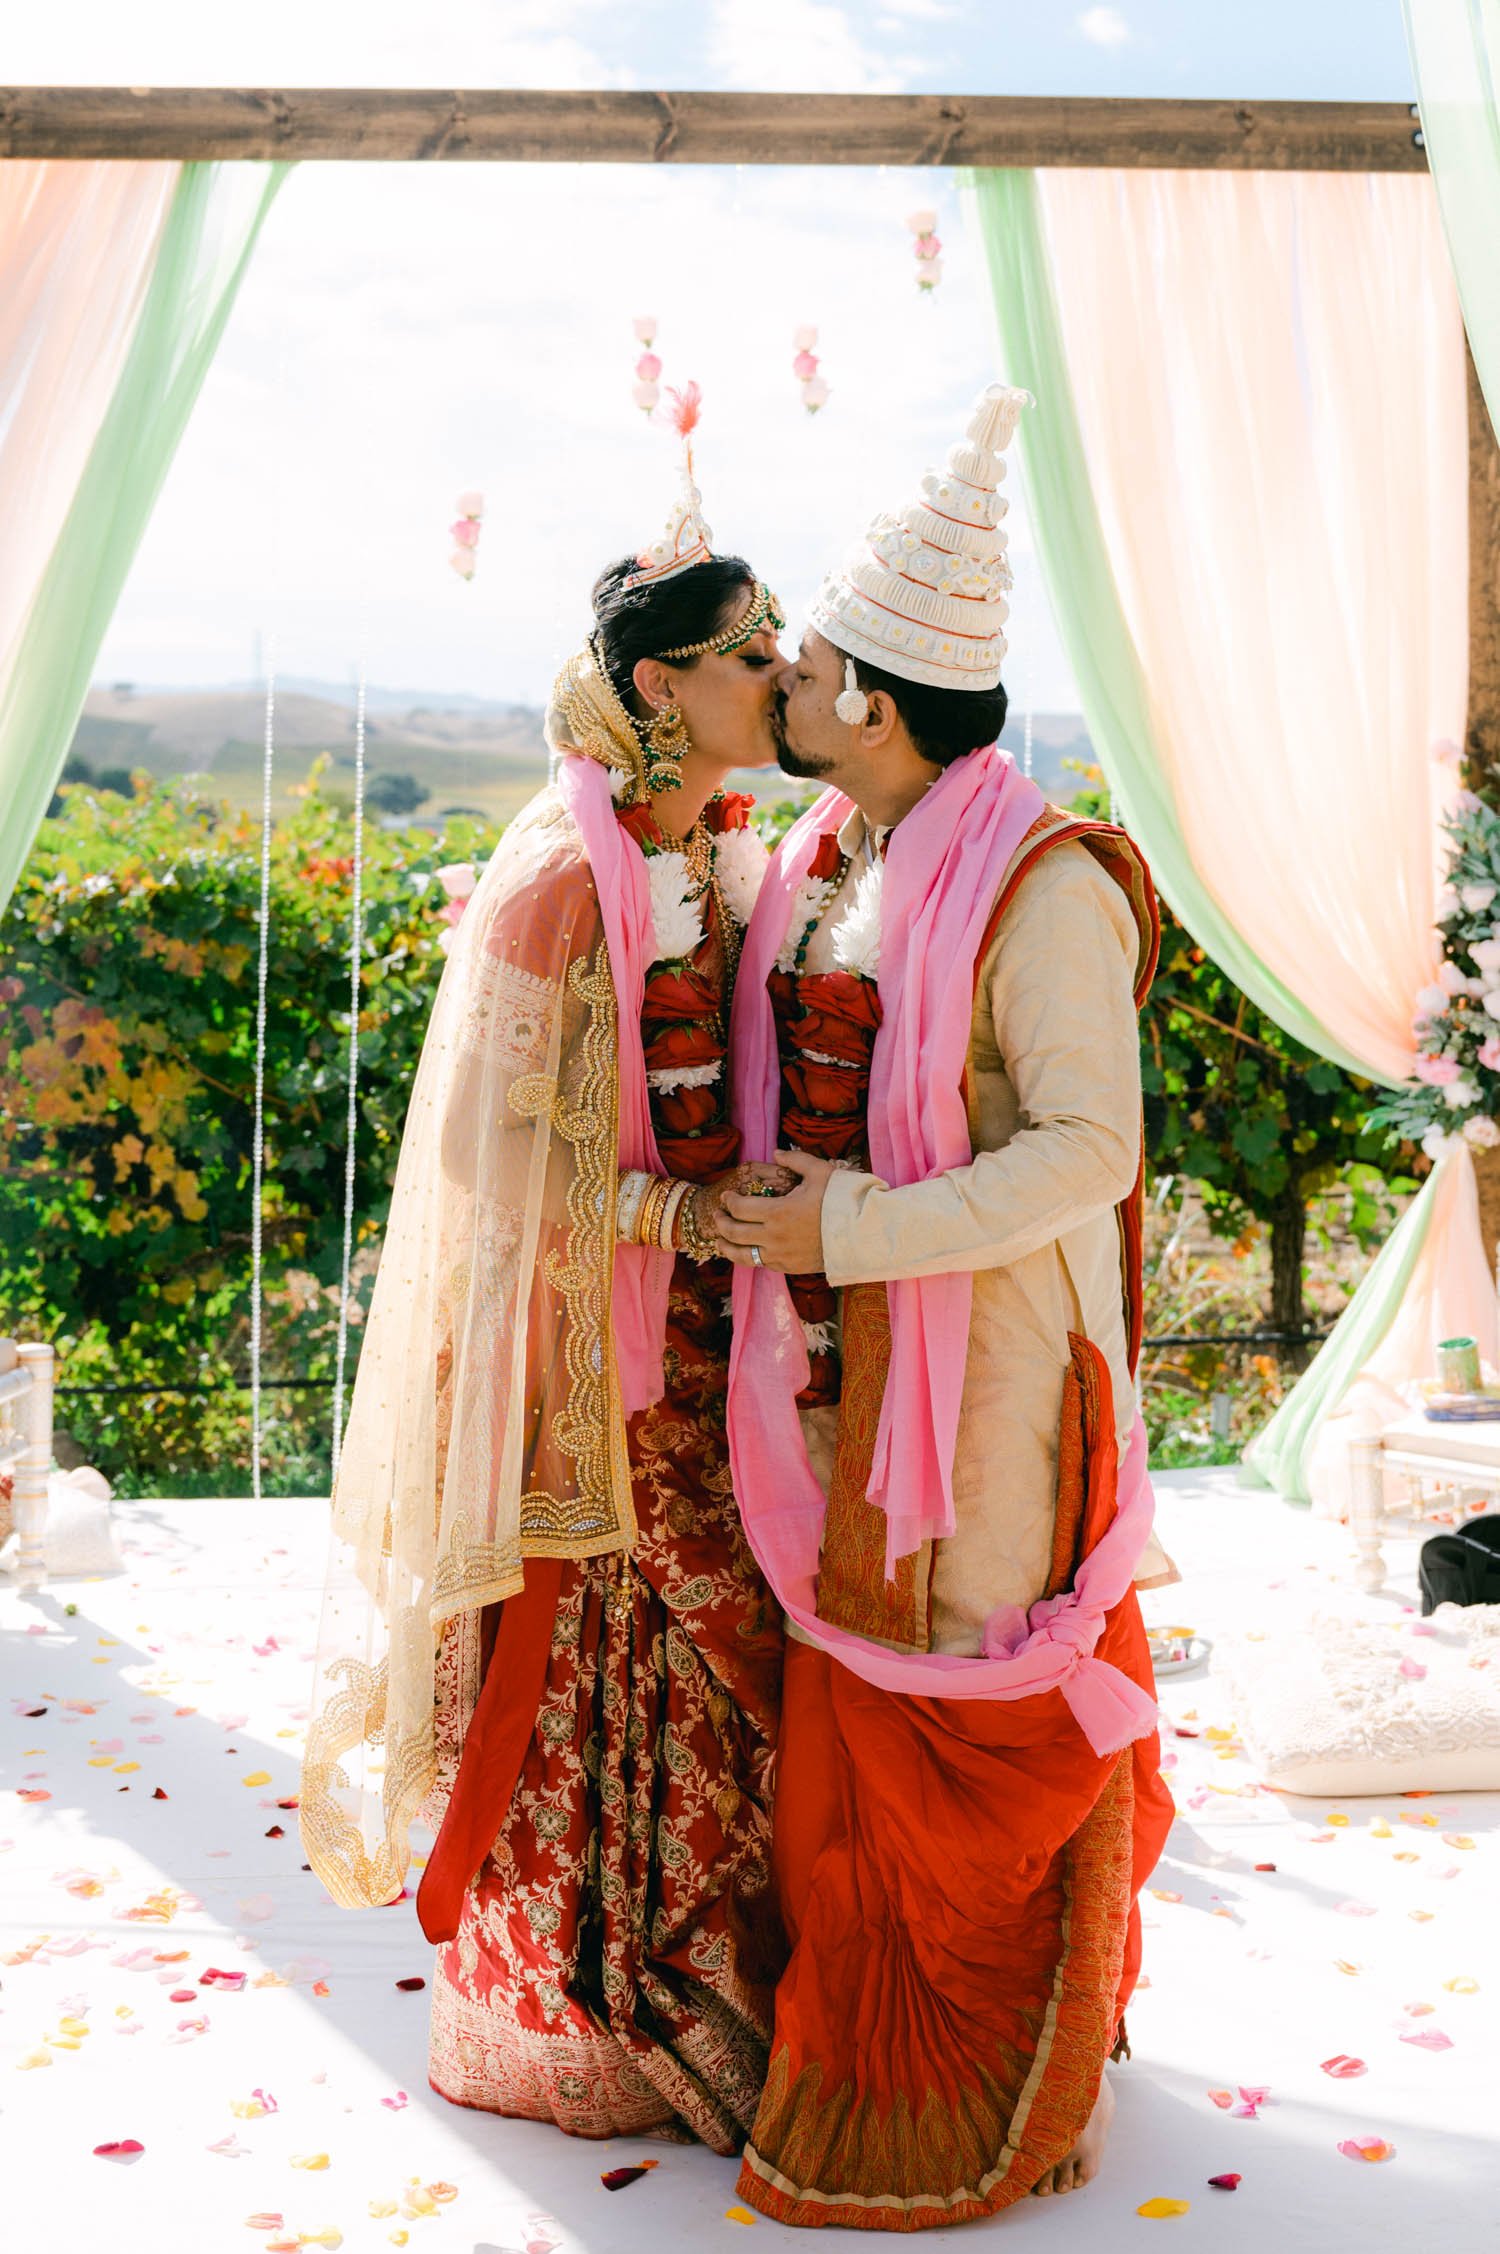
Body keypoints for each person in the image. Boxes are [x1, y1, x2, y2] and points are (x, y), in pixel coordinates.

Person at [713, 384, 1177, 2226]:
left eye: (811, 672)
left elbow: (1086, 1149)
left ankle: (984, 2080)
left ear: (882, 711)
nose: (789, 693)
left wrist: (849, 1232)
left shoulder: (1040, 887)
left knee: (966, 1670)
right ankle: (877, 2039)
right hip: (857, 1362)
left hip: (988, 1379)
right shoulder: (846, 858)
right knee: (857, 1658)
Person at [300, 434, 792, 2152]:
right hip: (589, 1359)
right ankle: (596, 2020)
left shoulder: (726, 852)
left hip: (715, 1343)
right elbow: (477, 1168)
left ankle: (731, 1997)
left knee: (742, 1643)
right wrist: (678, 1209)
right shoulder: (561, 881)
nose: (780, 670)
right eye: (751, 648)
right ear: (663, 682)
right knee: (606, 1648)